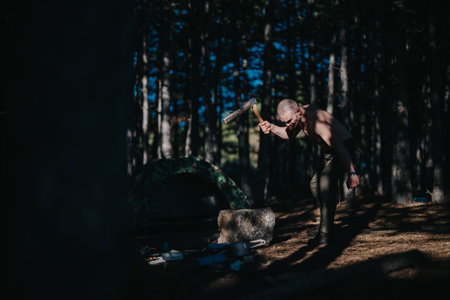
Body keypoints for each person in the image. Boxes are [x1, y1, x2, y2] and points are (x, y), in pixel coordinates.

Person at [259, 99, 360, 246]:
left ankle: (326, 233)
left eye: (289, 121)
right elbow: (289, 134)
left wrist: (352, 172)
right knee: (314, 184)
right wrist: (272, 127)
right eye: (284, 122)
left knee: (325, 183)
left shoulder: (317, 122)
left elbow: (340, 147)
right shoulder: (297, 118)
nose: (288, 125)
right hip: (329, 152)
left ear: (297, 111)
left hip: (345, 149)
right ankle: (325, 224)